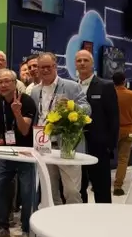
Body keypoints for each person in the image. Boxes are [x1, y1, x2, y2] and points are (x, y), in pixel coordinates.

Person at [30, 53, 90, 206]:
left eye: (48, 67)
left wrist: (72, 106)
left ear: (55, 66)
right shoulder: (35, 91)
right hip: (44, 147)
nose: (45, 70)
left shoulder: (71, 86)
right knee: (49, 191)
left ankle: (74, 219)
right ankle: (54, 219)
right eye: (41, 67)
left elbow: (87, 109)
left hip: (67, 146)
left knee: (72, 191)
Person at [0, 69, 37, 237]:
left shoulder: (26, 101)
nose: (3, 85)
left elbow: (24, 130)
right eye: (0, 82)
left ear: (15, 83)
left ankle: (27, 230)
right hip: (7, 152)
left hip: (26, 153)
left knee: (27, 192)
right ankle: (2, 227)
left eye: (7, 81)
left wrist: (17, 113)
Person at [75, 50, 118, 204]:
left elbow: (113, 118)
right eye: (79, 60)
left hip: (99, 147)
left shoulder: (105, 86)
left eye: (85, 60)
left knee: (101, 188)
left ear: (92, 64)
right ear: (75, 64)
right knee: (79, 187)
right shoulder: (72, 86)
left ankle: (104, 217)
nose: (82, 63)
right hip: (76, 145)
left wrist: (110, 147)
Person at [112, 72, 132, 196]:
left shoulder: (110, 94)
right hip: (128, 129)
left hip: (111, 130)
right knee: (123, 159)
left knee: (105, 157)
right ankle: (118, 186)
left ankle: (100, 183)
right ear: (124, 81)